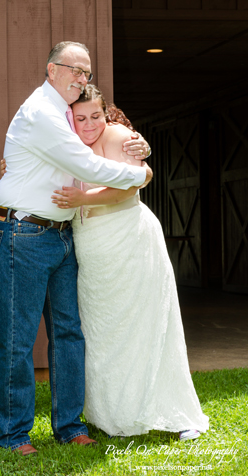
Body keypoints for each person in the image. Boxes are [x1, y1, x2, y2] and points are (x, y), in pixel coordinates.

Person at [0, 41, 152, 456]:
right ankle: (14, 436)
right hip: (25, 233)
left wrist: (139, 149)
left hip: (63, 235)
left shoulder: (63, 111)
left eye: (87, 73)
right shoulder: (42, 112)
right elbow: (86, 165)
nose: (82, 79)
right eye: (74, 70)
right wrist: (142, 173)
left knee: (68, 333)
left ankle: (68, 425)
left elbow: (89, 148)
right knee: (19, 338)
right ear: (51, 69)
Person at [49, 85, 209, 440]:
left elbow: (131, 185)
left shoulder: (121, 136)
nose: (89, 124)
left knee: (144, 325)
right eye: (80, 118)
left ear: (105, 114)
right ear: (69, 119)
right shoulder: (67, 143)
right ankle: (112, 411)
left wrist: (81, 196)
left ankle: (172, 411)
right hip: (90, 248)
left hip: (129, 240)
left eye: (95, 116)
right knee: (104, 331)